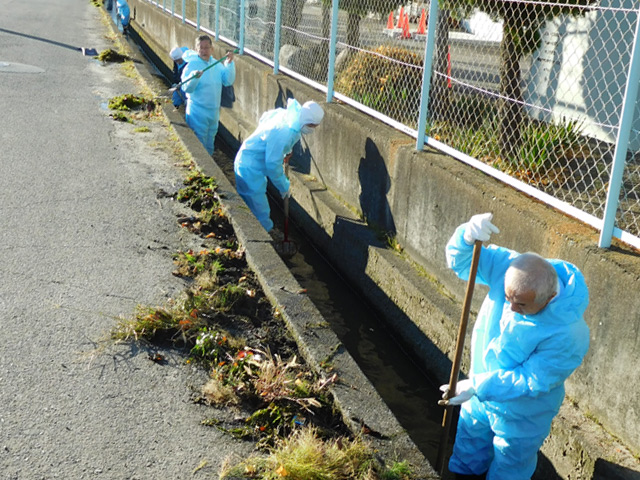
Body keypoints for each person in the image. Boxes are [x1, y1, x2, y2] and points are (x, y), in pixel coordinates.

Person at [441, 212, 590, 480]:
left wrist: (479, 385)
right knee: (467, 450)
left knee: (510, 467)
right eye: (508, 298)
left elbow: (531, 379)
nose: (510, 308)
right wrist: (466, 237)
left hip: (523, 412)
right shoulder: (510, 266)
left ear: (550, 297)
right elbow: (464, 264)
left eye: (521, 304)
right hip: (479, 395)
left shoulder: (569, 334)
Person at [233, 98, 324, 234]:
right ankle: (267, 241)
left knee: (250, 207)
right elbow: (272, 165)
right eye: (312, 127)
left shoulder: (289, 116)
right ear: (307, 122)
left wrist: (285, 151)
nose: (312, 130)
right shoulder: (285, 132)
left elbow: (265, 120)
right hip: (250, 168)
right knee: (260, 211)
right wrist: (283, 186)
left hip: (252, 163)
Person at [180, 35, 235, 155]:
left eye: (207, 47)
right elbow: (186, 88)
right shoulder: (192, 65)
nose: (204, 51)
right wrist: (194, 77)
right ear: (196, 49)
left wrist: (229, 64)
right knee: (199, 143)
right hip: (198, 111)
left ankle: (209, 168)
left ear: (212, 49)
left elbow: (227, 80)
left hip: (213, 111)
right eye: (201, 48)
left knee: (210, 141)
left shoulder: (216, 64)